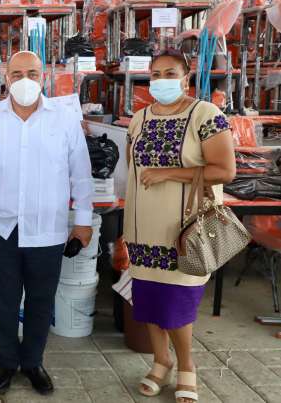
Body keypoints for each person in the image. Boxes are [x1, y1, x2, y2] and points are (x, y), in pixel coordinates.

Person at [0, 51, 94, 395]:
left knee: (40, 299)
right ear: (5, 79)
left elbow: (81, 174)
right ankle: (6, 361)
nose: (24, 80)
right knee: (3, 298)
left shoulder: (64, 120)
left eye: (32, 73)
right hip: (0, 226)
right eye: (16, 73)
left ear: (43, 76)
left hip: (47, 228)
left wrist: (82, 220)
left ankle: (32, 362)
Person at [124, 49, 235, 403]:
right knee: (148, 301)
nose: (161, 80)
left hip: (184, 229)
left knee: (177, 303)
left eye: (170, 73)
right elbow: (133, 171)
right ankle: (161, 361)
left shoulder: (206, 114)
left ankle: (187, 366)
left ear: (186, 77)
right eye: (155, 73)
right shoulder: (138, 119)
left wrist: (170, 172)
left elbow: (225, 170)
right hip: (143, 229)